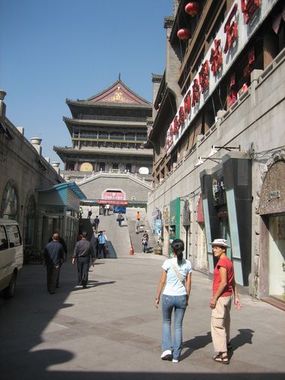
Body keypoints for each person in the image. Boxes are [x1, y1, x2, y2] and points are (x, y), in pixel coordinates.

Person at [155, 239, 192, 363]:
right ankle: (176, 356)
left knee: (166, 322)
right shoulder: (188, 264)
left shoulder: (167, 262)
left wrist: (157, 296)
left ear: (172, 250)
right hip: (181, 296)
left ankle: (166, 350)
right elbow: (188, 283)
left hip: (168, 296)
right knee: (178, 326)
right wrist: (187, 297)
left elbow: (162, 281)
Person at [210, 238, 240, 365]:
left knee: (217, 324)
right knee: (226, 321)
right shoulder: (229, 262)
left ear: (223, 249)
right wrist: (236, 296)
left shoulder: (222, 262)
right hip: (228, 297)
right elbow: (232, 281)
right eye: (214, 247)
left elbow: (223, 282)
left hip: (221, 297)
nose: (214, 249)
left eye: (217, 247)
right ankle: (227, 344)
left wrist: (214, 298)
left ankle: (223, 354)